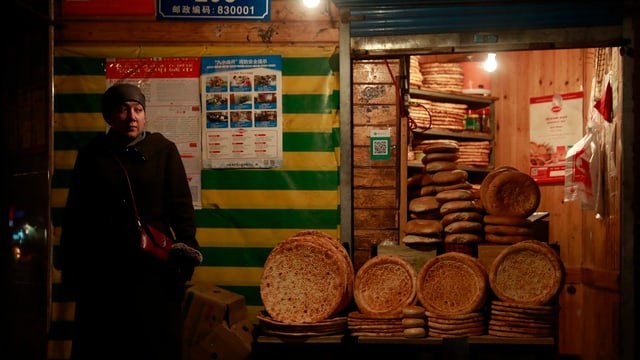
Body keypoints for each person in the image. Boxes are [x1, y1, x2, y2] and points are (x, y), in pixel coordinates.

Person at [56, 83, 203, 360]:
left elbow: (180, 206)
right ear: (109, 116)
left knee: (152, 341)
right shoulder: (91, 154)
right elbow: (77, 211)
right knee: (105, 342)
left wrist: (186, 247)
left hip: (152, 266)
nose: (131, 116)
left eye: (138, 109)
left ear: (145, 115)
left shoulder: (163, 149)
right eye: (122, 109)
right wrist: (70, 262)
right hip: (103, 268)